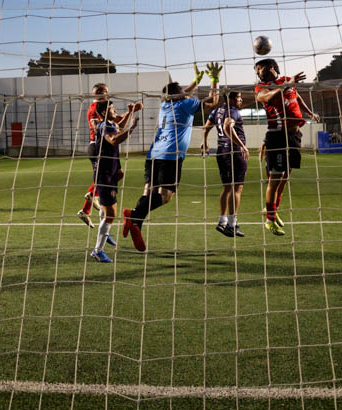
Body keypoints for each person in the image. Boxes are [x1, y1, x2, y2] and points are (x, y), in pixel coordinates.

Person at [122, 62, 221, 252]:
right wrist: (214, 80)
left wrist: (194, 82)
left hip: (154, 154)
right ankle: (133, 216)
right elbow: (213, 101)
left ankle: (136, 224)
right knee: (166, 197)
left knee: (148, 193)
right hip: (171, 155)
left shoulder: (165, 105)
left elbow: (181, 93)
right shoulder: (186, 104)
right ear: (180, 95)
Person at [254, 57, 319, 236]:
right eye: (256, 70)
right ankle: (270, 220)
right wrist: (286, 84)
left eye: (259, 68)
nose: (258, 72)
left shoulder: (286, 82)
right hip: (277, 136)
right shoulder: (261, 87)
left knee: (285, 178)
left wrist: (310, 112)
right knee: (274, 179)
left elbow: (296, 97)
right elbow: (264, 97)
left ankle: (274, 211)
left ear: (271, 66)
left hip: (294, 135)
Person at [78, 83, 139, 227]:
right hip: (97, 147)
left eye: (104, 91)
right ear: (94, 94)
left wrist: (131, 111)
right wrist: (108, 127)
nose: (102, 93)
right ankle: (93, 195)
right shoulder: (95, 109)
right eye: (99, 91)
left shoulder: (107, 109)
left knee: (118, 174)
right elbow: (100, 128)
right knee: (105, 177)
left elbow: (117, 121)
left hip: (107, 147)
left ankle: (88, 208)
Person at [90, 100, 140, 262]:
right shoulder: (105, 126)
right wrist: (132, 128)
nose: (116, 111)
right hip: (104, 174)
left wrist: (130, 112)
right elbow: (114, 140)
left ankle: (105, 231)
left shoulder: (109, 123)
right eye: (112, 109)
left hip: (109, 172)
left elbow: (118, 124)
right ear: (104, 112)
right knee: (111, 214)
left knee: (108, 212)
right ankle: (97, 250)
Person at [201, 90, 249, 237]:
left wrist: (205, 142)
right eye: (239, 98)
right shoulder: (232, 111)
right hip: (234, 153)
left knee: (227, 187)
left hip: (221, 151)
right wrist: (242, 145)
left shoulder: (217, 110)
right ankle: (232, 224)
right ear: (233, 99)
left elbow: (206, 127)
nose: (241, 100)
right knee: (237, 189)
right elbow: (228, 126)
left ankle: (222, 221)